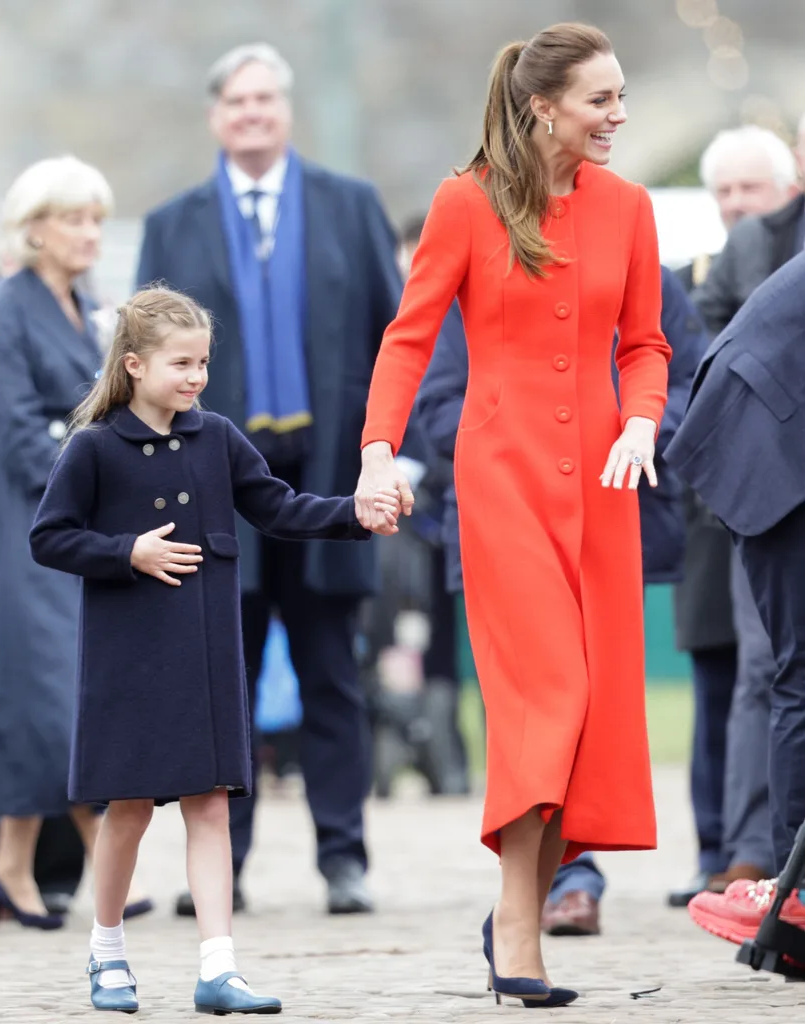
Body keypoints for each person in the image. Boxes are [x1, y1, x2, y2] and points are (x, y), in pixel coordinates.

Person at [355, 23, 671, 1006]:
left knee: (585, 714)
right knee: (547, 696)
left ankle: (515, 919)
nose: (617, 116)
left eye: (619, 97)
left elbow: (645, 342)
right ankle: (518, 926)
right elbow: (407, 340)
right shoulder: (464, 201)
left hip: (603, 487)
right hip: (501, 482)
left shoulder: (628, 206)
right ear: (542, 106)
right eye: (599, 100)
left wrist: (642, 422)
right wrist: (376, 449)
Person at [29, 286, 399, 1014]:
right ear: (134, 365)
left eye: (202, 362)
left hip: (206, 659)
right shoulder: (94, 447)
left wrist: (354, 512)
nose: (196, 377)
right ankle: (106, 955)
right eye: (181, 363)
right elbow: (48, 536)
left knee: (210, 805)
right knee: (128, 809)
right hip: (126, 662)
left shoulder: (219, 436)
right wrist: (124, 552)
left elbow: (278, 506)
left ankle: (219, 967)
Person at [136, 42, 403, 917]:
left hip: (328, 481)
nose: (252, 113)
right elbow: (141, 372)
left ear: (285, 111)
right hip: (216, 485)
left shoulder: (349, 205)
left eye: (266, 100)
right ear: (217, 115)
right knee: (223, 681)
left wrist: (390, 458)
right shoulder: (173, 224)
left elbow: (393, 340)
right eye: (237, 102)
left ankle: (345, 860)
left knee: (333, 672)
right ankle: (226, 868)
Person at [416, 262, 705, 938]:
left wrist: (633, 431)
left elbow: (683, 376)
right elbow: (438, 402)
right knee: (529, 700)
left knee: (594, 697)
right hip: (506, 515)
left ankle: (570, 870)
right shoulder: (479, 274)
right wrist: (522, 446)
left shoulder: (641, 266)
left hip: (610, 507)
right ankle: (552, 884)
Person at [0, 156, 150, 930]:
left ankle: (10, 867)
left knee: (61, 690)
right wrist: (94, 483)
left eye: (96, 220)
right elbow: (13, 434)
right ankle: (47, 854)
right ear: (34, 227)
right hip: (22, 522)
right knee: (41, 692)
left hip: (77, 522)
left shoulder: (91, 308)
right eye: (75, 219)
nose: (89, 235)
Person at [668, 123, 803, 907]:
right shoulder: (754, 248)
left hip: (777, 442)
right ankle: (793, 895)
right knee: (796, 674)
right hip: (762, 457)